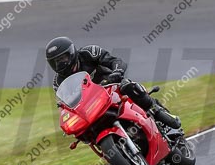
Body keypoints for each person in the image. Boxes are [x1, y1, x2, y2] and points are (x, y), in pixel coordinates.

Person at [45, 36, 182, 131]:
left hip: (112, 86)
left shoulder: (88, 53)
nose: (60, 63)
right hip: (91, 105)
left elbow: (115, 61)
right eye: (55, 62)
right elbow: (66, 105)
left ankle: (156, 111)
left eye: (62, 58)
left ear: (72, 53)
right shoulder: (58, 82)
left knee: (128, 86)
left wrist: (116, 72)